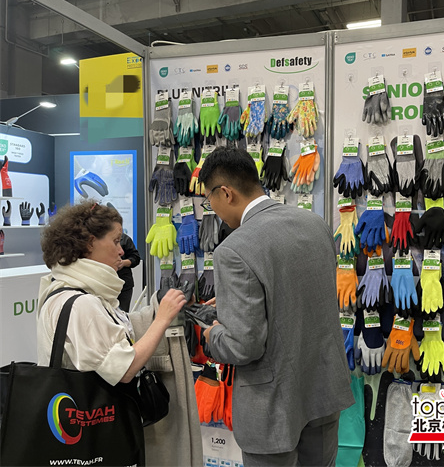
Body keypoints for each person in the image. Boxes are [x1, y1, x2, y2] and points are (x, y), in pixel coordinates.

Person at [199, 146, 354, 466]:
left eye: (208, 200)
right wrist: (233, 302)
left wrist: (212, 334)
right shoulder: (315, 224)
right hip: (323, 391)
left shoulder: (233, 250)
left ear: (225, 193)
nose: (211, 209)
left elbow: (243, 346)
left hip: (271, 408)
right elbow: (298, 294)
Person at [38, 200, 203, 466]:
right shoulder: (82, 303)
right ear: (89, 243)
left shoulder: (67, 289)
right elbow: (124, 369)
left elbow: (116, 332)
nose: (121, 250)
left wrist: (164, 308)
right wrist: (162, 319)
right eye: (115, 241)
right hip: (92, 433)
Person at [116, 232, 141, 312]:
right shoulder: (98, 239)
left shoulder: (125, 239)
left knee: (122, 313)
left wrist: (123, 263)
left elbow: (136, 258)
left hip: (124, 284)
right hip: (104, 283)